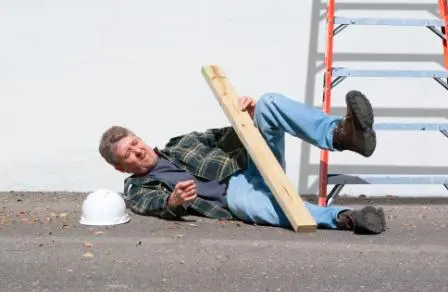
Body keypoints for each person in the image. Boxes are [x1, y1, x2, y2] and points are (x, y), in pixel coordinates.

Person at [98, 91, 386, 234]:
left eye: (135, 143)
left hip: (250, 164)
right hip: (233, 195)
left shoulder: (180, 143)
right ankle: (345, 218)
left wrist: (248, 117)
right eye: (128, 155)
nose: (138, 152)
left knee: (268, 102)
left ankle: (342, 135)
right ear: (121, 167)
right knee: (255, 207)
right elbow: (152, 205)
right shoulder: (137, 186)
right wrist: (173, 202)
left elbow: (228, 134)